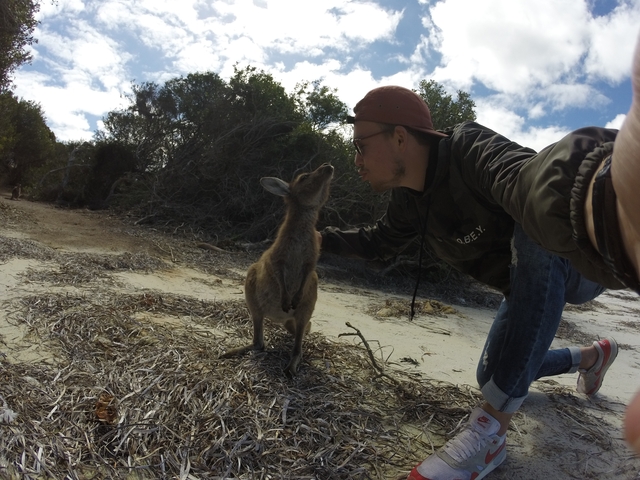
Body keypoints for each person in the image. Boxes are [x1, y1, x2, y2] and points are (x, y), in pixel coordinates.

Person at [319, 32, 640, 479]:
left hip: (579, 260)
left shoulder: (466, 149)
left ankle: (489, 434)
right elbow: (378, 243)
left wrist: (595, 195)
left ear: (398, 138)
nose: (355, 158)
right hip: (525, 288)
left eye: (359, 145)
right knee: (492, 376)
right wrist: (316, 239)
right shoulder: (409, 203)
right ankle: (590, 356)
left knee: (532, 223)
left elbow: (525, 179)